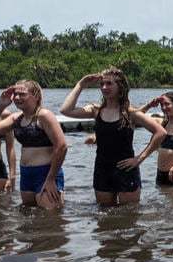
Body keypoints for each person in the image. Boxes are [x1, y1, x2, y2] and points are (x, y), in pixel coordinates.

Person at [60, 68, 165, 205]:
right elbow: (65, 110)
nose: (104, 87)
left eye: (109, 83)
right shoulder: (96, 110)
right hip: (102, 169)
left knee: (129, 216)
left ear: (120, 86)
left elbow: (160, 132)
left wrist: (140, 158)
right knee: (103, 216)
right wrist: (81, 84)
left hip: (126, 169)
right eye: (102, 84)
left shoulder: (130, 113)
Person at [0, 81, 68, 209]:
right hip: (27, 174)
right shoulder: (16, 118)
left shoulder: (44, 115)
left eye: (22, 94)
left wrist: (50, 179)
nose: (17, 98)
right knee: (28, 219)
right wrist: (0, 106)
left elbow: (61, 146)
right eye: (15, 94)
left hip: (46, 173)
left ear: (36, 96)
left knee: (51, 222)